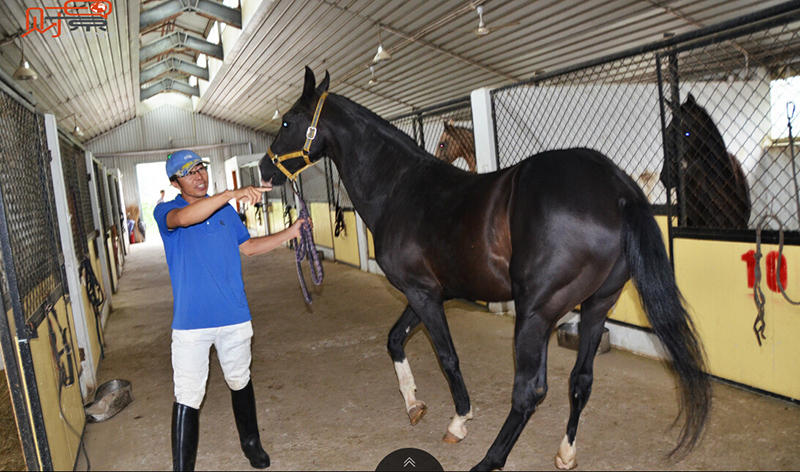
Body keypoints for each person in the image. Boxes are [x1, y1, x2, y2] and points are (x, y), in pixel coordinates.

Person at [154, 150, 306, 471]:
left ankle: (252, 444)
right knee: (188, 395)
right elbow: (185, 219)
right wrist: (230, 194)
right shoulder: (167, 210)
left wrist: (290, 233)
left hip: (234, 316)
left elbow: (248, 248)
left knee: (240, 379)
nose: (198, 176)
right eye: (189, 173)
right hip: (191, 323)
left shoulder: (226, 212)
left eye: (200, 169)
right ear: (175, 182)